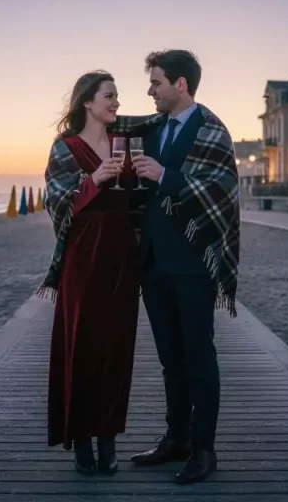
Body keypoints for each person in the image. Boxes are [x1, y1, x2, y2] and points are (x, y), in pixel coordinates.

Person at [109, 50, 241, 485]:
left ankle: (205, 451)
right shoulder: (152, 128)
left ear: (180, 84)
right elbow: (106, 129)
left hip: (193, 263)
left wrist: (165, 175)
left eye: (156, 83)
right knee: (170, 360)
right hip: (154, 262)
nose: (150, 90)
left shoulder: (211, 129)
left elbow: (219, 188)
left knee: (199, 357)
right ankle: (177, 439)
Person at [39, 71, 141, 476]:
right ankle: (81, 437)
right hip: (83, 254)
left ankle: (109, 439)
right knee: (82, 344)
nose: (116, 103)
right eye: (109, 96)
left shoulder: (126, 141)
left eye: (117, 96)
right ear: (87, 102)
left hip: (121, 253)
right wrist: (94, 180)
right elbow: (56, 201)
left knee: (117, 348)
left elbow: (136, 199)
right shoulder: (65, 147)